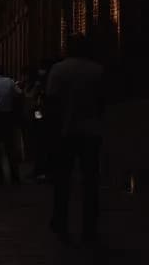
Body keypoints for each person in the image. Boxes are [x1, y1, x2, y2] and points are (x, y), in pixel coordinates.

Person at [45, 34, 105, 243]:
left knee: (62, 180)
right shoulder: (97, 70)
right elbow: (103, 102)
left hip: (65, 132)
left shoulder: (59, 70)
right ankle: (89, 227)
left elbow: (51, 102)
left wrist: (52, 132)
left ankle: (61, 222)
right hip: (91, 132)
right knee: (91, 181)